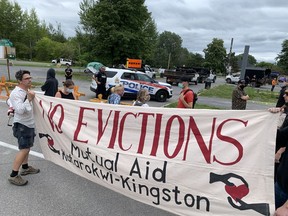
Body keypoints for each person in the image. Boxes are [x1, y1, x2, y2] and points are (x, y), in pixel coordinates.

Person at [8, 70, 40, 186]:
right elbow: (20, 110)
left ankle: (25, 168)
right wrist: (29, 99)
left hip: (29, 124)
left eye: (30, 77)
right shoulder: (16, 93)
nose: (30, 80)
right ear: (20, 80)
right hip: (22, 125)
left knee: (28, 147)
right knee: (24, 149)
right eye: (26, 78)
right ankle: (13, 175)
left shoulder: (27, 91)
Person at [269, 91, 288, 215]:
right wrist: (270, 119)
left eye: (287, 93)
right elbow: (280, 137)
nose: (284, 95)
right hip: (280, 184)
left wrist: (286, 207)